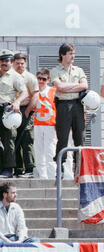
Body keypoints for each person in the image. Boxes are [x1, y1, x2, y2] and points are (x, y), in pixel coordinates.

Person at [50, 43, 88, 171]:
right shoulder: (55, 71)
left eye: (73, 53)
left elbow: (84, 86)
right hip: (63, 105)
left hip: (77, 105)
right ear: (62, 55)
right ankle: (60, 165)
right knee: (63, 136)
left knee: (80, 135)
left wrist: (67, 87)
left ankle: (79, 166)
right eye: (70, 53)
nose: (73, 56)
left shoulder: (79, 70)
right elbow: (59, 87)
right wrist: (74, 86)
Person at [0, 49, 28, 179]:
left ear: (11, 62)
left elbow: (24, 92)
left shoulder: (15, 76)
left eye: (7, 60)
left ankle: (8, 168)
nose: (4, 63)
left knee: (9, 140)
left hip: (7, 110)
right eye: (2, 60)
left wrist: (17, 102)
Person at [12, 53, 39, 178]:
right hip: (12, 110)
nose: (20, 66)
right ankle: (18, 168)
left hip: (26, 109)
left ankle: (29, 168)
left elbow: (35, 96)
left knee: (27, 139)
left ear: (25, 64)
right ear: (13, 63)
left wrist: (28, 111)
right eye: (17, 63)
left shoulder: (30, 77)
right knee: (14, 138)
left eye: (22, 63)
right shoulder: (9, 76)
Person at [33, 68, 57, 179]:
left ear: (48, 79)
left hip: (50, 125)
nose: (41, 81)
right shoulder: (34, 91)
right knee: (38, 150)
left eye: (44, 79)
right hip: (37, 124)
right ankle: (42, 176)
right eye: (39, 78)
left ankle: (52, 176)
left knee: (50, 151)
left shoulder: (53, 91)